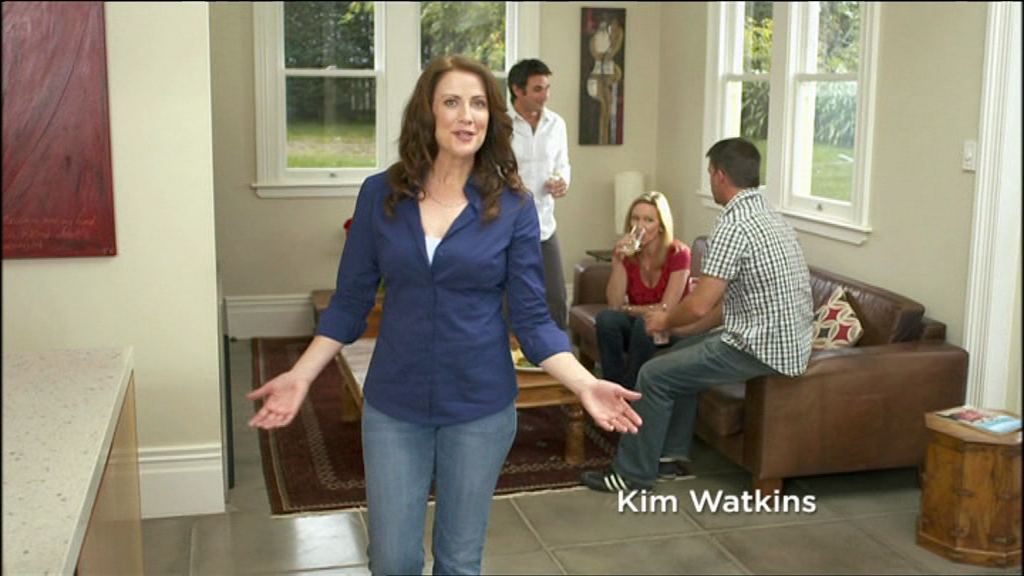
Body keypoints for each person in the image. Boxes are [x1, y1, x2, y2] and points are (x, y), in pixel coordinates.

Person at [247, 55, 642, 576]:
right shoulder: (379, 195)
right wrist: (301, 375)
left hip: (480, 406)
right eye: (451, 102)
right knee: (393, 560)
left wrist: (585, 383)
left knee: (458, 561)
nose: (466, 115)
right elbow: (349, 303)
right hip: (395, 403)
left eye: (478, 103)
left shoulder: (514, 207)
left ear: (491, 116)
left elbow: (533, 320)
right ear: (427, 113)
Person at [581, 137, 814, 493]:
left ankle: (631, 475)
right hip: (784, 342)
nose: (710, 180)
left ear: (720, 175)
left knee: (654, 374)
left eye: (709, 173)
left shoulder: (733, 226)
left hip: (759, 347)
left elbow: (700, 303)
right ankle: (670, 458)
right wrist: (687, 332)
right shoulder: (772, 218)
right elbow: (728, 304)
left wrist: (665, 321)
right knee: (676, 360)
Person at [597, 190, 693, 391]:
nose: (639, 226)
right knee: (606, 319)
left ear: (661, 226)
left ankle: (631, 392)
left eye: (648, 220)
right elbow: (614, 305)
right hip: (640, 322)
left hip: (670, 326)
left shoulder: (679, 254)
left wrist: (629, 309)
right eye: (635, 219)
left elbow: (666, 308)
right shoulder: (629, 253)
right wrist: (617, 262)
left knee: (645, 323)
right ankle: (612, 389)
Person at [508, 58, 571, 329]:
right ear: (517, 90)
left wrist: (563, 181)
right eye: (537, 89)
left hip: (544, 225)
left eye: (547, 88)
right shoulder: (500, 125)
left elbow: (563, 164)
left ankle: (558, 351)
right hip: (507, 227)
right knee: (507, 299)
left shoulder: (557, 124)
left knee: (556, 298)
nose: (545, 95)